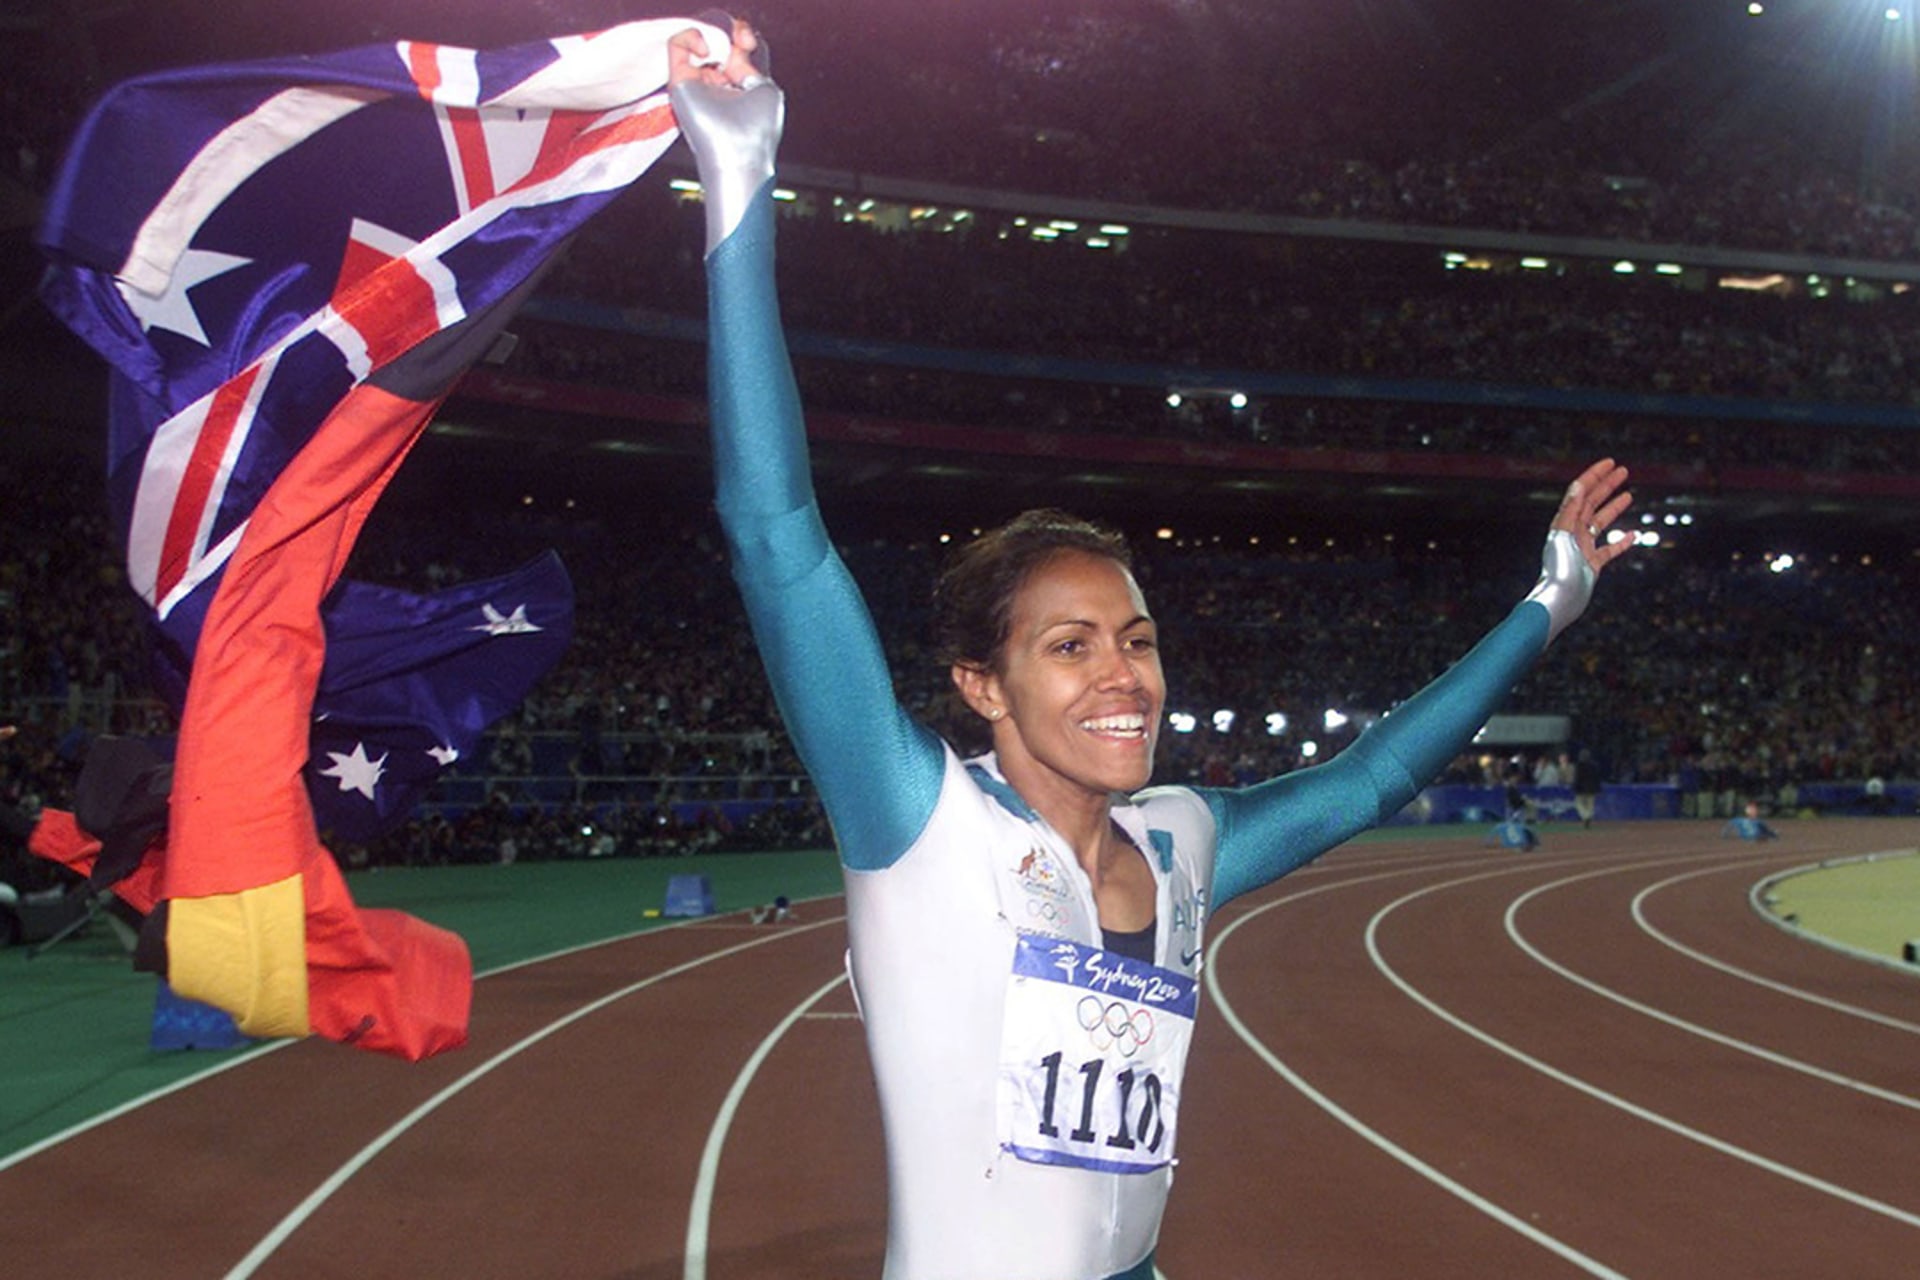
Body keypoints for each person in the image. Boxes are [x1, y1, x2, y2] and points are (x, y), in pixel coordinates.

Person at [668, 31, 1637, 1280]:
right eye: (1068, 646)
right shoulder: (920, 820)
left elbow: (1374, 776)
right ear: (982, 684)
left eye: (1137, 638)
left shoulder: (1179, 842)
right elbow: (775, 534)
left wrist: (1547, 607)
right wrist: (739, 175)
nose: (1123, 674)